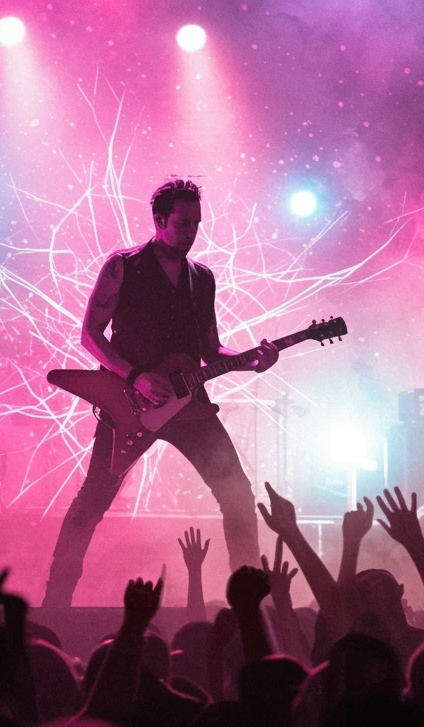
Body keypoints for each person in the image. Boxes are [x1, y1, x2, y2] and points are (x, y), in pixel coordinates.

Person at [42, 179, 279, 608]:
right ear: (159, 220)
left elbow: (210, 346)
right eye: (182, 223)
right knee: (93, 500)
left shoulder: (202, 278)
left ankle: (249, 605)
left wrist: (248, 358)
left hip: (191, 406)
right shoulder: (124, 266)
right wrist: (134, 377)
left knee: (238, 496)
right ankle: (54, 604)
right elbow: (90, 335)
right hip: (130, 405)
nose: (191, 232)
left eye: (196, 224)